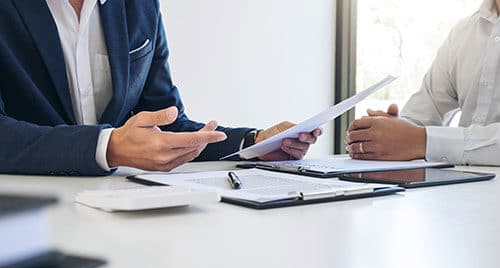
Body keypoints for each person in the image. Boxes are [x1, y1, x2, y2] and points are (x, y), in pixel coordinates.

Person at [0, 0, 321, 176]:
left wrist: (254, 144)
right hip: (24, 221)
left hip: (120, 218)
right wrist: (107, 146)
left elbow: (165, 124)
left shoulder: (140, 6)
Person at [346, 0, 500, 166]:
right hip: (461, 188)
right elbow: (425, 115)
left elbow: (420, 138)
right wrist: (387, 132)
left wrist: (421, 140)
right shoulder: (463, 34)